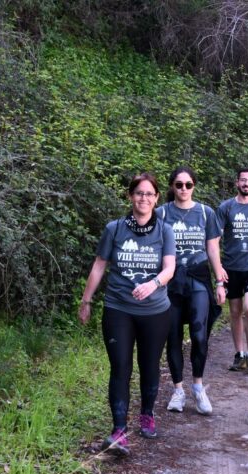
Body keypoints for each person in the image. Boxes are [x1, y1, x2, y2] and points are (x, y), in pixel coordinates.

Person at [78, 173, 176, 456]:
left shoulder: (164, 230)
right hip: (118, 307)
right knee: (120, 367)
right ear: (130, 197)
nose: (144, 198)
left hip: (155, 310)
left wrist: (153, 284)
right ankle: (119, 430)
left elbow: (170, 268)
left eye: (149, 194)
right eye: (139, 193)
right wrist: (86, 301)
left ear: (156, 198)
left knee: (149, 365)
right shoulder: (115, 228)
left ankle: (147, 414)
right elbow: (99, 265)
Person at [157, 167, 226, 415]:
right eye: (178, 185)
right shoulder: (162, 213)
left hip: (198, 277)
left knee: (199, 333)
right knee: (172, 335)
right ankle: (178, 390)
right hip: (170, 279)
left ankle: (198, 387)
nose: (183, 189)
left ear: (194, 186)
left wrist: (220, 281)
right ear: (172, 187)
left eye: (188, 185)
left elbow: (213, 249)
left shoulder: (206, 213)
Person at [216, 168, 248, 376]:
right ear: (237, 182)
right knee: (236, 312)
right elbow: (215, 240)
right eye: (243, 180)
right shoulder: (226, 207)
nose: (246, 183)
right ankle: (239, 354)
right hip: (231, 267)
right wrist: (219, 270)